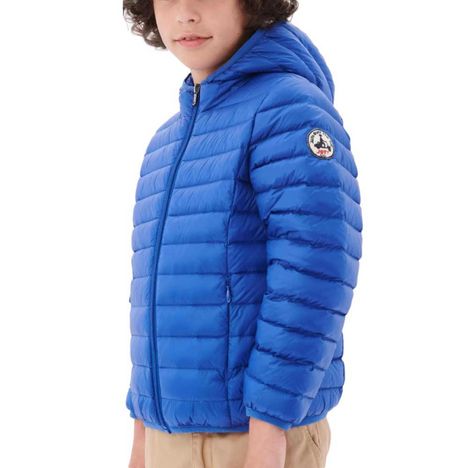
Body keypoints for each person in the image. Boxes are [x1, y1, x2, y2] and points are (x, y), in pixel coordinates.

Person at [122, 1, 363, 467]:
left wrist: (268, 434)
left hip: (254, 440)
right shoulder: (166, 142)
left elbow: (313, 278)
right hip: (165, 440)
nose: (185, 13)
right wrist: (141, 431)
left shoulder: (291, 110)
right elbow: (155, 300)